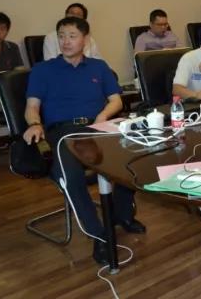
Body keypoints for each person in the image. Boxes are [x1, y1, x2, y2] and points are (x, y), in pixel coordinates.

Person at [22, 16, 144, 265]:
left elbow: (116, 100)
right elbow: (31, 106)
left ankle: (122, 214)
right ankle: (99, 236)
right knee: (72, 176)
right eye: (61, 36)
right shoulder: (43, 70)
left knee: (134, 157)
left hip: (97, 126)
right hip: (62, 131)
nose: (65, 41)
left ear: (85, 39)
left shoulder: (98, 67)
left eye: (72, 36)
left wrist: (102, 117)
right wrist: (34, 124)